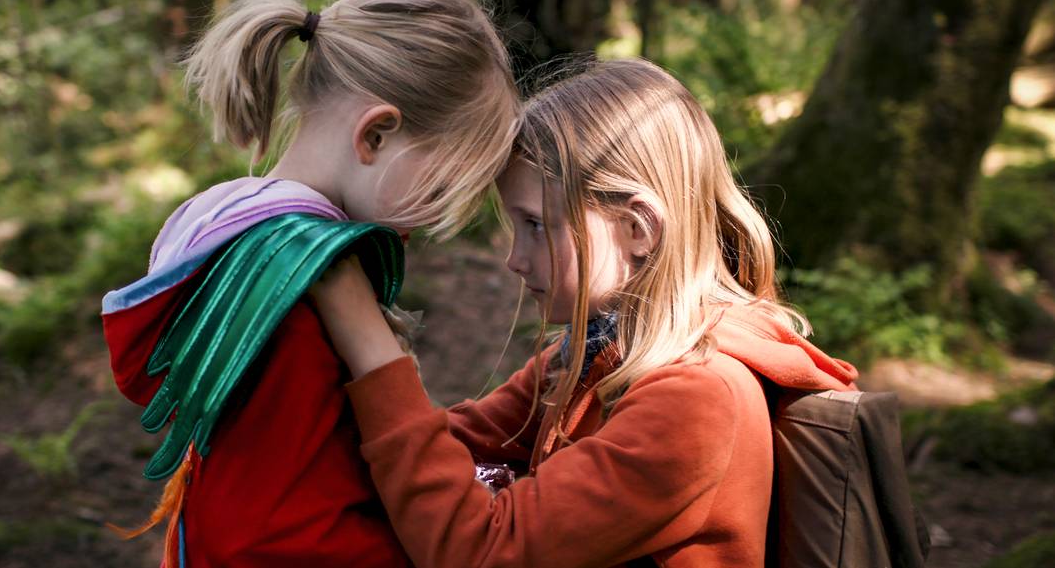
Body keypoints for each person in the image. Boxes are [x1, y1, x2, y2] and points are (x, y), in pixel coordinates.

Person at [310, 58, 859, 568]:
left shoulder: (695, 398)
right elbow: (446, 444)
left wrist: (371, 347)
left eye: (535, 226)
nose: (514, 259)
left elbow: (478, 549)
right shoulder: (590, 357)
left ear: (638, 229)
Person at [100, 0, 519, 566]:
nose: (434, 220)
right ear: (376, 134)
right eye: (443, 187)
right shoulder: (298, 291)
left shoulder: (233, 226)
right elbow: (284, 520)